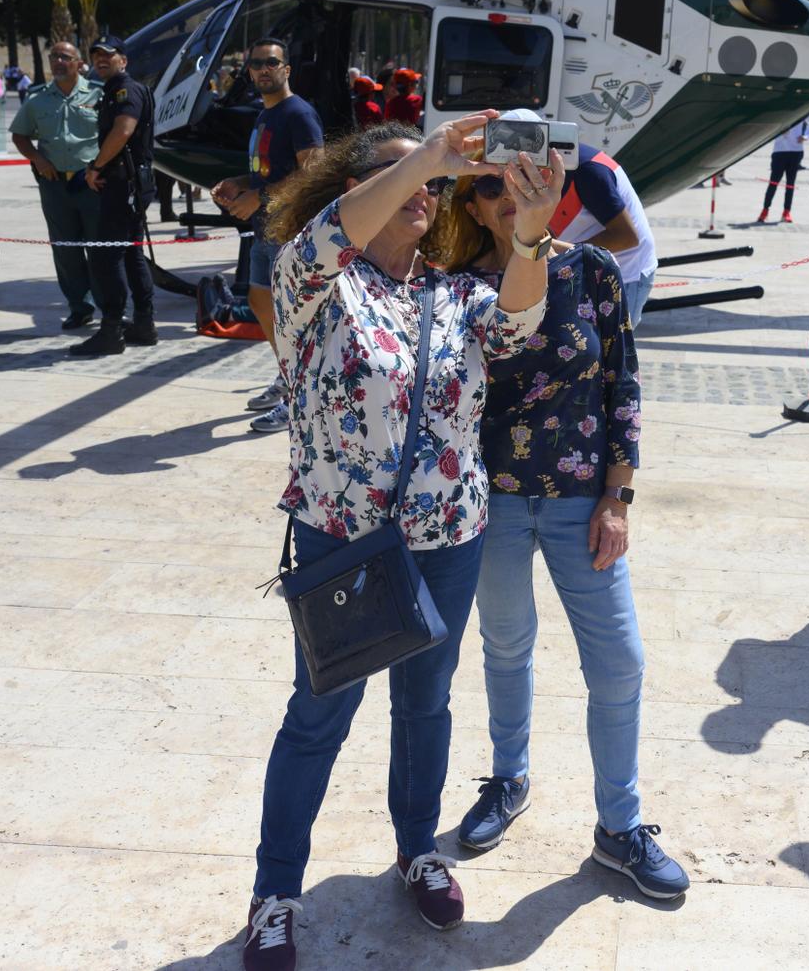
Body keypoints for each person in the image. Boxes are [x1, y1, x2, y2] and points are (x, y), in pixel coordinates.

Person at [235, 117, 557, 966]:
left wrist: (530, 230)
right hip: (344, 538)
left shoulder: (453, 295)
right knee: (319, 714)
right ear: (355, 191)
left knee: (426, 702)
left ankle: (418, 847)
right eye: (401, 176)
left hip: (449, 532)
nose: (425, 190)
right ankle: (275, 893)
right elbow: (324, 238)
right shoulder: (315, 287)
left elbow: (521, 324)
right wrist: (431, 152)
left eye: (430, 182)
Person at [434, 134, 689, 902]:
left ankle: (620, 827)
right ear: (473, 209)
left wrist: (619, 496)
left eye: (525, 179)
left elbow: (624, 390)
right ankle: (508, 779)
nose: (510, 196)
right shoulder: (455, 290)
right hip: (497, 505)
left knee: (620, 662)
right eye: (491, 188)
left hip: (583, 504)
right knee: (506, 647)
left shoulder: (595, 271)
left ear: (552, 184)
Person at [211, 37, 325, 433]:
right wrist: (237, 183)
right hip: (266, 228)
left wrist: (257, 196)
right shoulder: (266, 115)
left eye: (271, 62)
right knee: (260, 301)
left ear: (286, 69)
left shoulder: (298, 113)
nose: (263, 69)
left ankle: (298, 397)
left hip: (289, 230)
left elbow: (313, 173)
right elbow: (269, 173)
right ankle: (287, 377)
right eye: (256, 63)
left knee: (292, 317)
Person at [71, 36, 158, 357]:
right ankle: (144, 324)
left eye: (108, 55)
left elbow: (123, 130)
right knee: (132, 253)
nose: (101, 60)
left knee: (108, 256)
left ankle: (110, 329)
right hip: (131, 183)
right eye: (96, 56)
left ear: (124, 59)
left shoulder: (125, 90)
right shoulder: (115, 90)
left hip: (123, 183)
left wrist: (95, 167)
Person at [9, 41, 103, 331]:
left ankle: (111, 307)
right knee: (65, 249)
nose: (58, 62)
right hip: (55, 187)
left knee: (100, 247)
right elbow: (20, 135)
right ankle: (80, 306)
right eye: (54, 57)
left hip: (91, 184)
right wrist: (38, 159)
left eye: (65, 57)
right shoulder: (38, 99)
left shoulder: (98, 94)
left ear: (79, 63)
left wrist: (100, 166)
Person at [547, 135, 660, 328]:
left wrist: (562, 254)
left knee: (616, 354)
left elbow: (626, 237)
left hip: (625, 275)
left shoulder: (587, 172)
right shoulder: (563, 160)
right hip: (591, 271)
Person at [758, 113, 809, 223]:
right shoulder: (783, 105)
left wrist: (806, 136)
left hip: (796, 151)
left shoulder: (803, 106)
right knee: (773, 182)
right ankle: (765, 210)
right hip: (780, 151)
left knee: (790, 184)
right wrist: (778, 131)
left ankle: (786, 212)